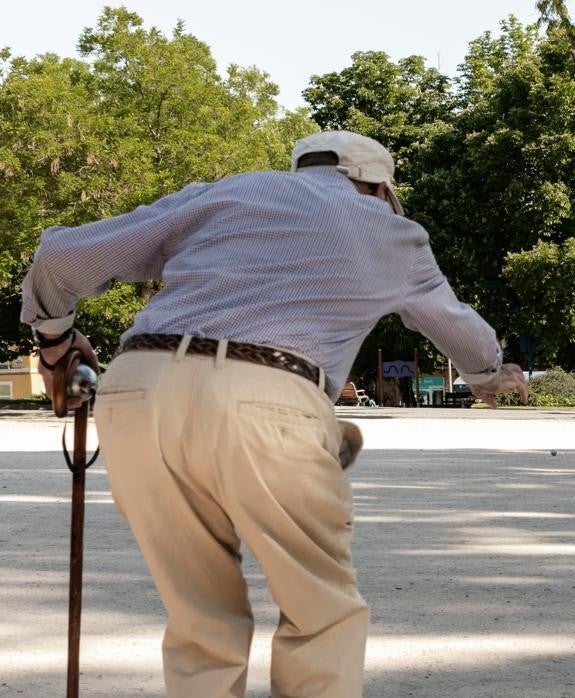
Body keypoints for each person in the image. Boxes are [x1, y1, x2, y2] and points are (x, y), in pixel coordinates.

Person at [21, 130, 529, 696]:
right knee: (322, 614)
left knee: (200, 622)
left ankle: (324, 438)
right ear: (379, 187)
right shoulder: (392, 231)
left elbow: (60, 257)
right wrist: (490, 373)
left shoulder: (229, 193)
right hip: (268, 397)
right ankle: (322, 439)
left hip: (139, 392)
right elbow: (450, 319)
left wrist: (56, 346)